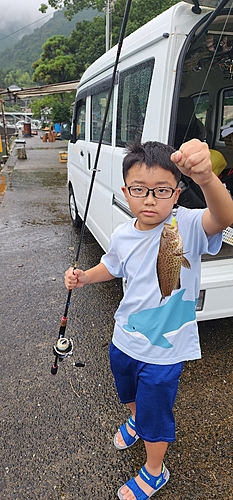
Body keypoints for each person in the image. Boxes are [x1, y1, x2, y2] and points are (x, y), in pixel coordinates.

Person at [64, 138, 233, 500]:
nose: (151, 199)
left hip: (165, 351)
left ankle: (154, 471)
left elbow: (223, 216)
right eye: (140, 190)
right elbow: (111, 266)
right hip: (124, 338)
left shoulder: (185, 225)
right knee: (128, 393)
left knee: (157, 414)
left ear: (176, 193)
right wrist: (85, 277)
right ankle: (136, 420)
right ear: (126, 192)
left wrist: (206, 179)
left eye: (161, 190)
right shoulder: (124, 233)